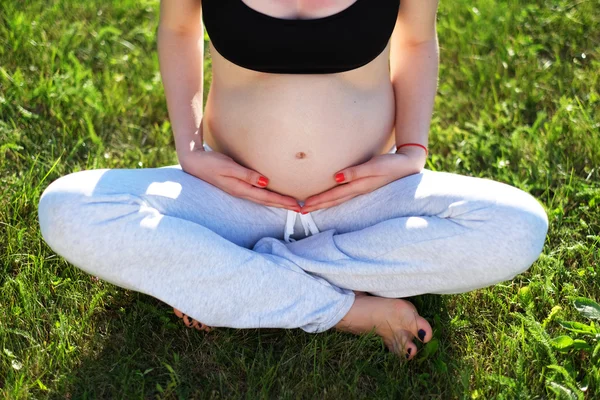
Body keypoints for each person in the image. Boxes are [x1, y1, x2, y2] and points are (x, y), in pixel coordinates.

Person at [37, 0, 549, 360]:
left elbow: (416, 38)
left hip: (363, 203)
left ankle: (233, 276)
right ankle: (347, 310)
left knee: (517, 226)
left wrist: (412, 150)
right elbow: (178, 31)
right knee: (68, 208)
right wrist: (189, 150)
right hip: (232, 200)